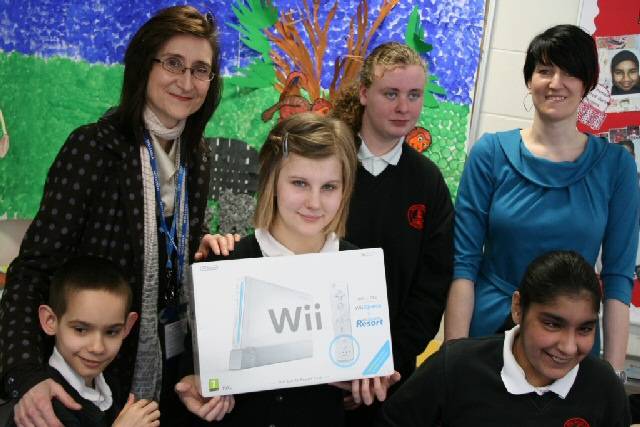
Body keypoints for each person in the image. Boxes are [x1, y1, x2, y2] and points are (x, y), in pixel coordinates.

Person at [0, 6, 223, 426]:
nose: (186, 81)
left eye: (200, 69)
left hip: (170, 368)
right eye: (173, 63)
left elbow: (169, 241)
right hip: (93, 376)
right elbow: (32, 270)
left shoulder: (198, 156)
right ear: (144, 66)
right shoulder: (94, 149)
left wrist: (203, 243)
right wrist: (25, 375)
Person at [176, 112, 400, 426]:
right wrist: (195, 387)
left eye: (329, 187)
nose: (314, 202)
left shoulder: (360, 273)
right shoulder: (225, 264)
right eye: (299, 183)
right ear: (272, 182)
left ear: (345, 189)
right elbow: (194, 369)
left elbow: (359, 393)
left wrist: (371, 384)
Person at [445, 24, 639, 382]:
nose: (556, 83)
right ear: (530, 79)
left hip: (568, 344)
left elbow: (617, 279)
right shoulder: (490, 153)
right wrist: (452, 361)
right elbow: (464, 265)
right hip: (488, 334)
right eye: (545, 70)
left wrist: (611, 376)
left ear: (588, 83)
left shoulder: (616, 166)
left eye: (570, 72)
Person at [329, 42, 454, 424]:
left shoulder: (428, 183)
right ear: (365, 93)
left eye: (414, 95)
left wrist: (386, 364)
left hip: (388, 378)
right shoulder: (326, 163)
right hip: (311, 370)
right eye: (391, 94)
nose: (404, 107)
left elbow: (430, 290)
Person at [377, 250, 631, 427]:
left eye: (585, 329)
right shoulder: (454, 367)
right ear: (518, 307)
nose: (568, 346)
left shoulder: (603, 388)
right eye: (552, 324)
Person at [7, 256, 159, 427]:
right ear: (50, 321)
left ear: (127, 327)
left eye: (111, 332)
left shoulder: (110, 384)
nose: (97, 347)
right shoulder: (43, 408)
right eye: (80, 330)